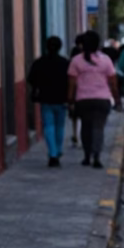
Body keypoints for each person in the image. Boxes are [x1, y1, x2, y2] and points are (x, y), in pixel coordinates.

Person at [67, 31, 119, 168]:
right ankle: (97, 156)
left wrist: (70, 100)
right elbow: (113, 82)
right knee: (98, 128)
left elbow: (72, 83)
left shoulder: (76, 60)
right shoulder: (106, 60)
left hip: (83, 99)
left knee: (86, 127)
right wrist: (116, 99)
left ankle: (86, 155)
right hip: (102, 99)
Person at [28, 36, 70, 167]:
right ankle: (57, 150)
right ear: (60, 47)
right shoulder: (65, 63)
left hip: (46, 99)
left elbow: (31, 79)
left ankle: (52, 153)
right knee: (60, 127)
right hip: (62, 99)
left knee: (48, 126)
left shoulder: (39, 62)